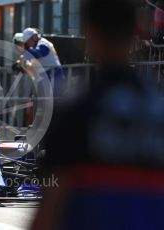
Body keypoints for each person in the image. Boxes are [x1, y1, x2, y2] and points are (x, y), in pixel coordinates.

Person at [32, 0, 164, 229]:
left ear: (89, 34)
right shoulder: (158, 111)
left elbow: (50, 209)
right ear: (138, 29)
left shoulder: (75, 110)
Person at [23, 28, 63, 96]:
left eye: (29, 42)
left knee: (54, 98)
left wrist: (26, 49)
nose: (29, 44)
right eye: (27, 43)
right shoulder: (35, 46)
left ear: (34, 37)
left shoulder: (43, 43)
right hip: (46, 74)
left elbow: (38, 54)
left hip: (54, 73)